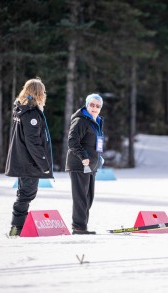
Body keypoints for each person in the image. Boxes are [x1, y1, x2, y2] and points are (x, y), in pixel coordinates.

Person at [5, 77, 53, 237]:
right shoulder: (31, 114)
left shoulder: (22, 110)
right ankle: (16, 229)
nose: (45, 94)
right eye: (43, 91)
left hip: (23, 161)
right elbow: (33, 143)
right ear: (38, 93)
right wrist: (44, 164)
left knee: (24, 194)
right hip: (29, 163)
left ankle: (17, 227)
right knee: (26, 195)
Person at [65, 93, 105, 235]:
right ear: (87, 105)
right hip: (79, 164)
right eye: (92, 105)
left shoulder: (97, 121)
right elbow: (72, 142)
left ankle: (82, 226)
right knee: (80, 197)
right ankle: (79, 227)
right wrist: (83, 156)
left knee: (88, 197)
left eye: (97, 106)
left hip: (91, 166)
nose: (94, 108)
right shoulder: (81, 120)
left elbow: (97, 143)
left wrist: (99, 158)